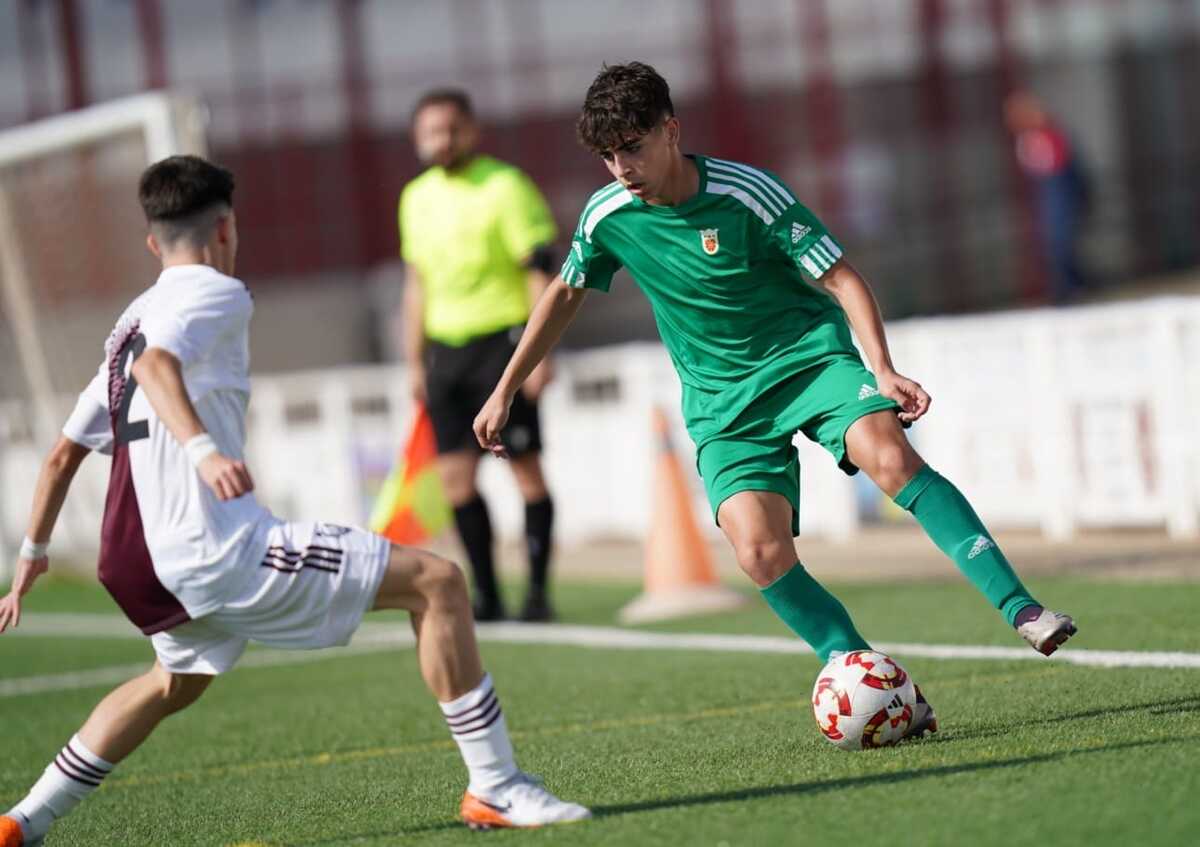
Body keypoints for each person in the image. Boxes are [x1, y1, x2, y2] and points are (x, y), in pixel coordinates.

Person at [0, 155, 589, 845]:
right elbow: (159, 367)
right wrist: (204, 452)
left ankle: (23, 820)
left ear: (152, 242)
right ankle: (496, 786)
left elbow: (62, 453)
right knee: (439, 583)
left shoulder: (127, 323)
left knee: (173, 680)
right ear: (226, 229)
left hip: (133, 557)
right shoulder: (214, 294)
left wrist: (33, 552)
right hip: (211, 549)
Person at [474, 62, 1078, 733]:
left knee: (889, 456)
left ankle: (1022, 607)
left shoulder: (748, 193)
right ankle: (861, 672)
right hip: (723, 402)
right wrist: (506, 387)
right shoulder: (608, 215)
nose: (622, 166)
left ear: (671, 131)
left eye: (633, 146)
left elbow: (843, 278)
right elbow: (562, 293)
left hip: (807, 360)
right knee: (756, 549)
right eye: (609, 154)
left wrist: (880, 367)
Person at [400, 89, 560, 623]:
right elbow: (415, 284)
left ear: (470, 130)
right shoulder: (415, 198)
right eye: (429, 133)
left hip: (504, 345)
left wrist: (539, 357)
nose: (440, 141)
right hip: (447, 355)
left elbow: (541, 271)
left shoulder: (506, 185)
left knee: (526, 472)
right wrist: (413, 360)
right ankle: (488, 597)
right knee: (456, 483)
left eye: (449, 129)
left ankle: (537, 594)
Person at [1003, 90, 1092, 303]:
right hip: (1048, 196)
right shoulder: (1026, 140)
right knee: (1053, 245)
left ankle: (1071, 289)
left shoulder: (1051, 134)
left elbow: (1065, 168)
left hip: (1060, 193)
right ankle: (1066, 289)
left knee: (1060, 243)